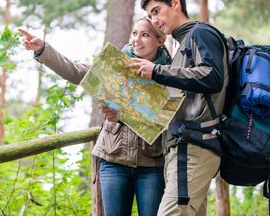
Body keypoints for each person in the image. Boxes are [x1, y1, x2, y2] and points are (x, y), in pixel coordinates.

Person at [19, 17, 172, 216]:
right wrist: (43, 50)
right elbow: (76, 71)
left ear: (160, 40)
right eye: (134, 33)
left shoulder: (170, 72)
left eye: (145, 35)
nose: (136, 40)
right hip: (113, 158)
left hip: (153, 163)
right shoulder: (116, 63)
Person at [124, 0, 229, 215]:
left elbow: (212, 76)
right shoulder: (183, 45)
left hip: (193, 149)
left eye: (156, 11)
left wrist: (158, 71)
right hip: (181, 150)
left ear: (175, 3)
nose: (154, 20)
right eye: (150, 15)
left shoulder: (201, 33)